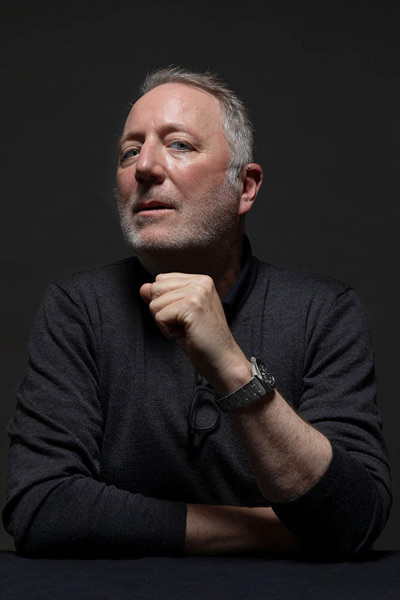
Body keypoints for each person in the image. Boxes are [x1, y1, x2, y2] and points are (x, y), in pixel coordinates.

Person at [3, 67, 391, 559]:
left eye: (179, 145)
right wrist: (269, 531)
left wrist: (231, 367)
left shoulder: (324, 311)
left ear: (245, 187)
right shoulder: (79, 308)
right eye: (129, 151)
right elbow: (39, 506)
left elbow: (354, 518)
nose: (144, 167)